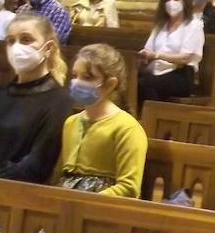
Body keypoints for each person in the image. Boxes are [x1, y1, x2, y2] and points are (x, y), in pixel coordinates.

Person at [0, 13, 72, 181]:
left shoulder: (59, 101)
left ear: (48, 48)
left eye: (26, 40)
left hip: (14, 193)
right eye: (10, 41)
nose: (17, 47)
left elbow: (37, 162)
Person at [54, 44, 148, 197]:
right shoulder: (71, 123)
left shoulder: (127, 128)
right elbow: (58, 175)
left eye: (87, 77)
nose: (77, 82)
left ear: (110, 84)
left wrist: (84, 203)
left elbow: (129, 188)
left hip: (102, 209)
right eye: (75, 76)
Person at [138, 0, 205, 103]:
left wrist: (157, 55)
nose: (171, 3)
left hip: (181, 74)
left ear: (185, 2)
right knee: (129, 82)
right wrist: (144, 57)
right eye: (168, 0)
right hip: (157, 71)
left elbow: (185, 58)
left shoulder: (193, 25)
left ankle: (151, 118)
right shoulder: (161, 25)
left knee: (145, 84)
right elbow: (148, 49)